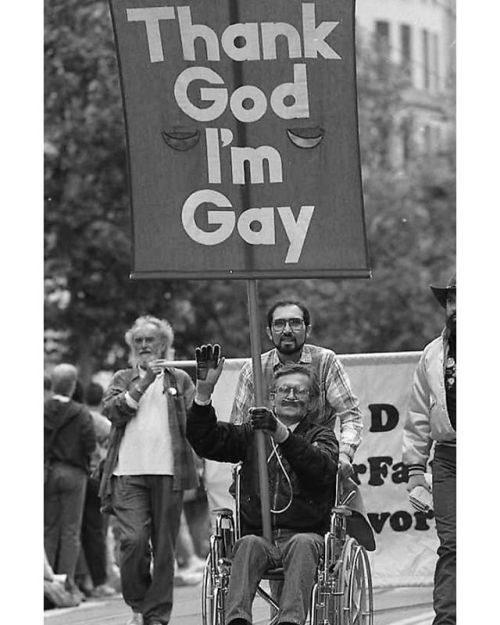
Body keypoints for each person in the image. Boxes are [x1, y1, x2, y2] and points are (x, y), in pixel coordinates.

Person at [187, 344, 339, 625]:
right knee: (246, 544)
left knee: (304, 543)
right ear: (271, 397)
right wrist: (204, 392)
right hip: (261, 537)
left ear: (313, 401)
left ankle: (290, 622)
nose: (290, 396)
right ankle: (237, 621)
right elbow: (205, 440)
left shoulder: (323, 435)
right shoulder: (252, 435)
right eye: (284, 390)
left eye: (299, 391)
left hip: (305, 535)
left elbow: (322, 469)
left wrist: (280, 433)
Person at [98, 315, 198, 625]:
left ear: (164, 345)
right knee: (133, 541)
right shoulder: (122, 378)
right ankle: (139, 604)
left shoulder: (180, 379)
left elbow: (198, 422)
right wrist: (142, 384)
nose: (143, 346)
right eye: (137, 341)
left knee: (165, 549)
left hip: (170, 473)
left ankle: (156, 616)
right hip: (127, 473)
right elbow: (111, 412)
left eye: (149, 340)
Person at [230, 300, 362, 479]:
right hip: (268, 470)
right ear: (269, 332)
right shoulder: (253, 369)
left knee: (350, 504)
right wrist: (240, 468)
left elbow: (350, 415)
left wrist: (345, 455)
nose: (286, 330)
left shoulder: (326, 362)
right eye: (279, 324)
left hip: (316, 466)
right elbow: (238, 428)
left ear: (307, 329)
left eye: (294, 323)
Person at [402, 274, 456, 625]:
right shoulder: (433, 353)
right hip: (451, 458)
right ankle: (448, 620)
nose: (457, 308)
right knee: (453, 545)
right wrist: (415, 471)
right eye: (452, 301)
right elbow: (419, 415)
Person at [44, 363, 96, 603]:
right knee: (71, 531)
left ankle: (47, 583)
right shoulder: (80, 411)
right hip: (74, 474)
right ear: (73, 385)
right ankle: (67, 584)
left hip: (49, 472)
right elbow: (89, 443)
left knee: (49, 530)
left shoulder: (42, 409)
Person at [77, 382, 116, 598]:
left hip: (78, 474)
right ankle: (100, 580)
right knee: (97, 531)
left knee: (76, 531)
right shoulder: (98, 421)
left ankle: (84, 579)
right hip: (95, 477)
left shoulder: (79, 415)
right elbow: (114, 440)